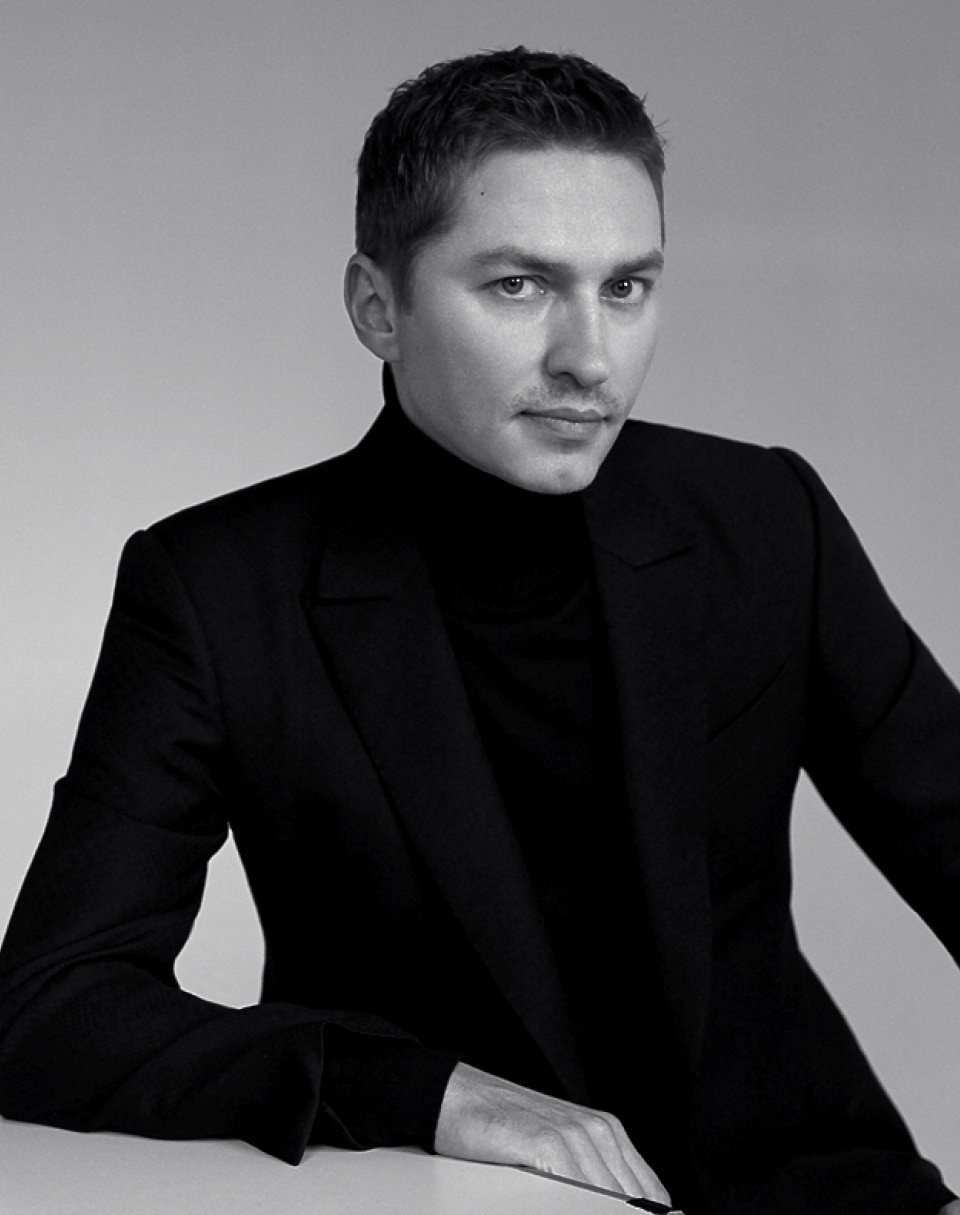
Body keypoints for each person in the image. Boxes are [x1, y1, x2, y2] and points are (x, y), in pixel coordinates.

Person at [0, 45, 957, 1215]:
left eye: (626, 287)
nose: (589, 359)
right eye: (518, 286)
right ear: (377, 308)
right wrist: (430, 1093)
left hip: (818, 1194)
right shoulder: (217, 589)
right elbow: (48, 1008)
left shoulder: (764, 518)